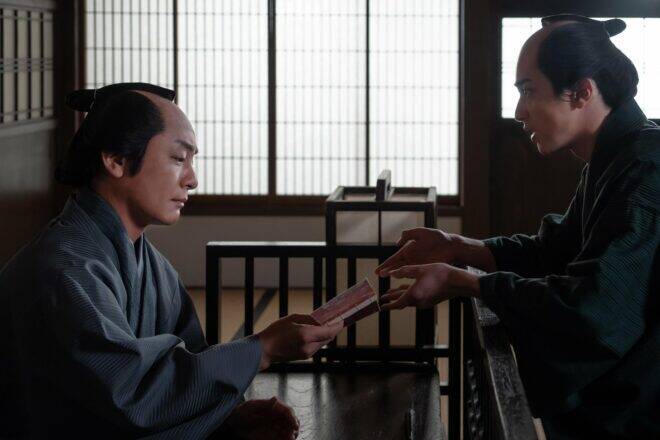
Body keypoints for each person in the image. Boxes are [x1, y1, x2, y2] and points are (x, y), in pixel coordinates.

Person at [0, 83, 343, 439]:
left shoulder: (155, 268)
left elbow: (192, 360)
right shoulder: (63, 270)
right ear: (115, 159)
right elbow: (130, 396)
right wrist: (264, 348)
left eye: (192, 161)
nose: (192, 179)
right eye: (179, 159)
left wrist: (230, 417)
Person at [376, 15, 659, 439]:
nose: (518, 112)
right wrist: (456, 246)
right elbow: (555, 251)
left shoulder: (646, 170)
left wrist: (466, 283)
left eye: (528, 90)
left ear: (583, 92)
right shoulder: (618, 157)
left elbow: (592, 311)